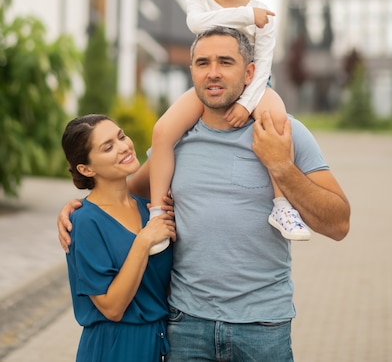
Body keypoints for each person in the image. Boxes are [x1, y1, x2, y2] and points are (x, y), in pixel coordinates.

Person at [59, 27, 350, 362]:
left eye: (226, 62)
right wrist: (77, 210)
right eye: (203, 63)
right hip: (186, 326)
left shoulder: (284, 131)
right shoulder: (175, 141)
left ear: (250, 72)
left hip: (263, 327)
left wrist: (281, 166)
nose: (213, 72)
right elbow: (121, 194)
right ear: (192, 71)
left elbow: (338, 224)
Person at [149, 0, 310, 256]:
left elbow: (264, 62)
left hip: (254, 85)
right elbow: (198, 25)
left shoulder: (264, 12)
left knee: (277, 120)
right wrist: (248, 16)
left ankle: (282, 206)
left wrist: (249, 102)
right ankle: (156, 215)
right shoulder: (201, 3)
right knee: (163, 130)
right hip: (211, 86)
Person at [62, 114, 176, 362]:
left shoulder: (151, 209)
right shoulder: (84, 222)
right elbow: (112, 307)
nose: (124, 146)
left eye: (121, 136)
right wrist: (144, 241)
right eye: (108, 147)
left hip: (158, 343)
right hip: (112, 347)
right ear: (86, 168)